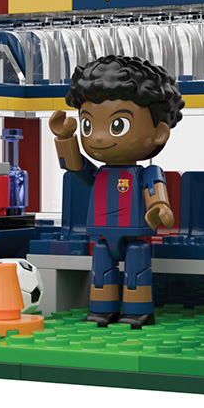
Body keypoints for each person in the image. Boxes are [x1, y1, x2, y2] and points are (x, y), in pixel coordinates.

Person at [50, 55, 183, 327]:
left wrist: (159, 207)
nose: (99, 136)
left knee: (137, 267)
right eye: (88, 125)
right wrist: (65, 138)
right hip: (103, 234)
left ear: (159, 132)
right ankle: (102, 309)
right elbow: (75, 167)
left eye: (117, 125)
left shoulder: (144, 172)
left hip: (134, 235)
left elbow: (155, 189)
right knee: (101, 269)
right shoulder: (100, 174)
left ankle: (137, 311)